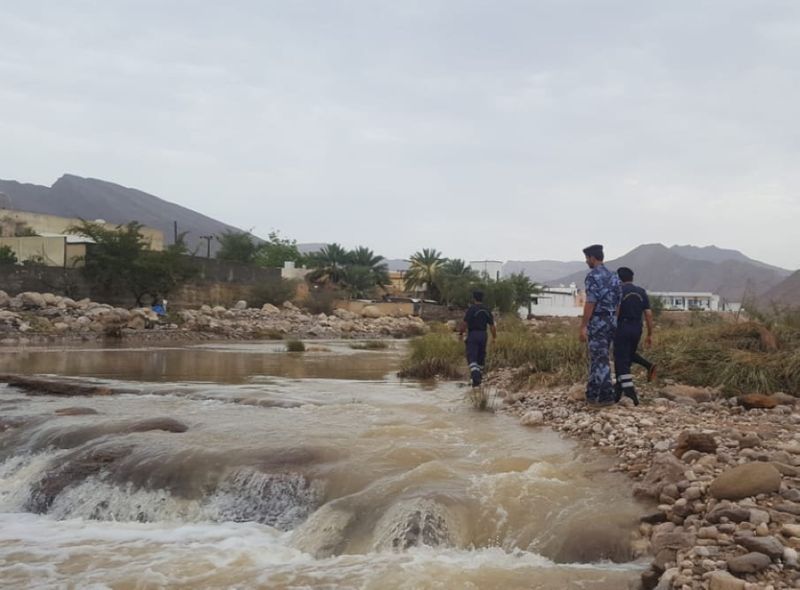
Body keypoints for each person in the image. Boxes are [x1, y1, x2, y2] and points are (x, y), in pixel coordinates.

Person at [579, 244, 621, 405]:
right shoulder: (614, 276)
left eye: (587, 258)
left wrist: (583, 325)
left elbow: (590, 302)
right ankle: (592, 393)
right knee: (599, 357)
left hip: (598, 322)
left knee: (600, 359)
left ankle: (606, 396)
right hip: (611, 321)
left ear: (592, 258)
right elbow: (618, 303)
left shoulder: (592, 276)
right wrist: (614, 319)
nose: (586, 261)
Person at [614, 267, 656, 406]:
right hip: (637, 328)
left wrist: (611, 327)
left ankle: (631, 395)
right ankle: (617, 392)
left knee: (622, 361)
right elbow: (648, 314)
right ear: (632, 278)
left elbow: (617, 311)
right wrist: (649, 334)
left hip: (622, 327)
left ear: (618, 279)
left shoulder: (619, 291)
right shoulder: (641, 292)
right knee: (628, 356)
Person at [458, 290, 497, 387]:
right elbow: (492, 326)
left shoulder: (472, 309)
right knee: (481, 356)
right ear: (482, 298)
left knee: (472, 357)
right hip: (483, 335)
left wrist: (461, 333)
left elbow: (464, 323)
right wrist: (494, 337)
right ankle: (477, 380)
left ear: (474, 298)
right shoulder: (487, 310)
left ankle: (476, 378)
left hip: (473, 334)